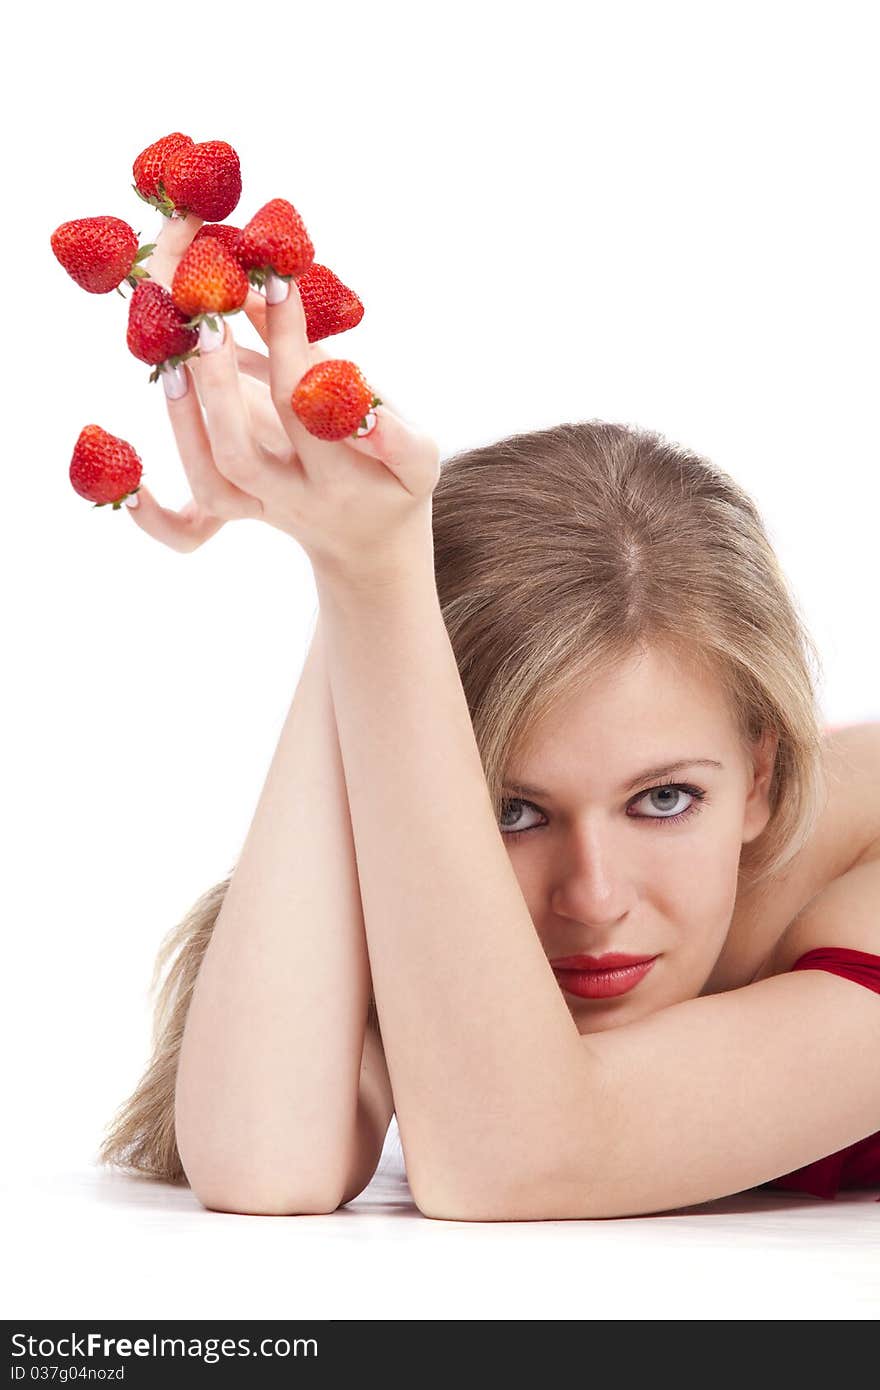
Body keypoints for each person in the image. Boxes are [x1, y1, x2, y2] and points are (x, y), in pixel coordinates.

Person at [98, 215, 880, 1220]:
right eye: (512, 812)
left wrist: (382, 583)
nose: (592, 901)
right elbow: (266, 1162)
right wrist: (357, 574)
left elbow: (521, 1158)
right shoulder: (442, 880)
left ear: (761, 780)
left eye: (665, 799)